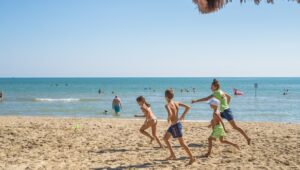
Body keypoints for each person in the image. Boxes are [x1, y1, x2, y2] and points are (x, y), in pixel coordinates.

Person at [192, 79, 251, 145]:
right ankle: (214, 136)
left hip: (226, 111)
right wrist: (226, 105)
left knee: (234, 127)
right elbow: (229, 97)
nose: (211, 88)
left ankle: (247, 138)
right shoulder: (221, 91)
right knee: (212, 121)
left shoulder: (216, 93)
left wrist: (195, 101)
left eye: (212, 87)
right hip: (223, 110)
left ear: (216, 87)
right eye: (211, 87)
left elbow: (206, 99)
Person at [163, 89, 195, 165]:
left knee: (182, 143)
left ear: (166, 97)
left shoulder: (167, 105)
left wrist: (168, 117)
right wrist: (183, 115)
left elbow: (170, 113)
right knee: (165, 138)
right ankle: (172, 154)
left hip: (175, 126)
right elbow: (188, 107)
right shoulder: (176, 103)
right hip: (175, 124)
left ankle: (192, 158)